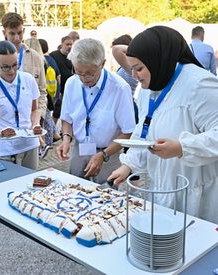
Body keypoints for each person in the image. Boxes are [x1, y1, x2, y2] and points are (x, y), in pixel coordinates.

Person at [108, 26, 218, 224]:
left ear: (158, 59)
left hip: (193, 192)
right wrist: (128, 165)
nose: (134, 75)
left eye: (139, 68)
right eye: (132, 68)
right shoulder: (149, 87)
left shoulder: (199, 84)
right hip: (160, 188)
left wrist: (182, 147)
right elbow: (143, 133)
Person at [56, 38, 136, 184]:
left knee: (106, 199)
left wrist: (103, 155)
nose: (84, 79)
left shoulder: (119, 88)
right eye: (78, 72)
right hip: (80, 149)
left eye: (89, 73)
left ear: (102, 64)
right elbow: (67, 118)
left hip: (109, 154)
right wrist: (66, 140)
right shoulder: (72, 83)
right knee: (74, 192)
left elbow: (128, 132)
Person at [0, 12, 47, 160]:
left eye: (20, 33)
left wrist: (36, 123)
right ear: (4, 32)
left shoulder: (35, 57)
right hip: (5, 133)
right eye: (12, 34)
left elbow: (42, 92)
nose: (17, 38)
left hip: (29, 130)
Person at [0, 40, 41, 170]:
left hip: (30, 143)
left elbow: (35, 109)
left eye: (15, 65)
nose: (12, 71)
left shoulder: (28, 79)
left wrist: (35, 123)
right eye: (5, 67)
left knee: (32, 183)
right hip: (6, 147)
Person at [112, 34, 139, 123]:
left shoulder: (130, 66)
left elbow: (116, 49)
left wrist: (133, 49)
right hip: (125, 101)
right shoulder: (127, 65)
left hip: (128, 102)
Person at [50, 36, 73, 124]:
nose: (69, 46)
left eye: (71, 44)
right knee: (57, 111)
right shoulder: (54, 55)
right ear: (62, 44)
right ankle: (53, 130)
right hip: (58, 88)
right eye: (67, 44)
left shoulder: (72, 56)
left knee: (68, 112)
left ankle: (63, 130)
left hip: (69, 88)